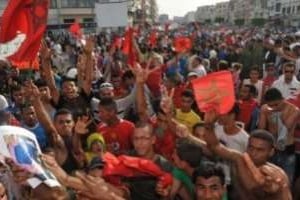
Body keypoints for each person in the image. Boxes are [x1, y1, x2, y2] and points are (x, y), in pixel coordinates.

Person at [259, 88, 299, 182]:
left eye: (276, 104)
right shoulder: (265, 108)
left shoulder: (294, 110)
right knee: (268, 180)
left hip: (287, 149)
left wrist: (278, 115)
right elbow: (261, 129)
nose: (274, 107)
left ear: (282, 99)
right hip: (271, 149)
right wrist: (265, 113)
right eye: (271, 105)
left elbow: (285, 129)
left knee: (286, 182)